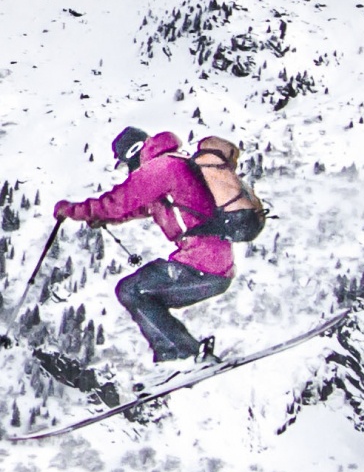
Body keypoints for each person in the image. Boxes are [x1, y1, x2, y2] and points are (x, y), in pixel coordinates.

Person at [54, 127, 235, 363]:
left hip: (202, 264)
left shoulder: (160, 167)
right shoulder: (175, 163)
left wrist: (72, 210)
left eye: (126, 162)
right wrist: (102, 217)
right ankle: (179, 354)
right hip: (214, 265)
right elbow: (142, 207)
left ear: (134, 151)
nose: (129, 169)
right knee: (142, 294)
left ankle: (181, 355)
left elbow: (119, 201)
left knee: (132, 290)